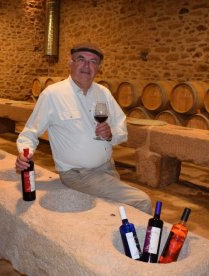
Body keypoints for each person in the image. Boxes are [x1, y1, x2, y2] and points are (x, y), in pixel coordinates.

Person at [15, 42, 152, 214]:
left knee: (114, 212)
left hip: (108, 168)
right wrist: (24, 154)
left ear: (99, 68)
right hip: (79, 174)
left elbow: (121, 125)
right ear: (70, 63)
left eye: (93, 61)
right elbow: (30, 133)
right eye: (81, 59)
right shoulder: (53, 94)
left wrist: (111, 134)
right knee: (141, 201)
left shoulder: (103, 92)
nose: (87, 65)